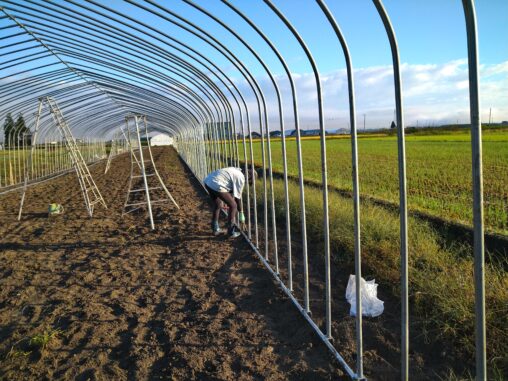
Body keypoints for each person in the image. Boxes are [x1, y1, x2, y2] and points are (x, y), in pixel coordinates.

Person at [204, 167, 250, 238]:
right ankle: (231, 232)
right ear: (248, 177)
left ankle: (215, 228)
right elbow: (238, 198)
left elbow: (230, 189)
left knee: (218, 204)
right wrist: (241, 212)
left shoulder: (235, 170)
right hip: (216, 184)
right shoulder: (241, 177)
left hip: (208, 181)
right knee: (233, 205)